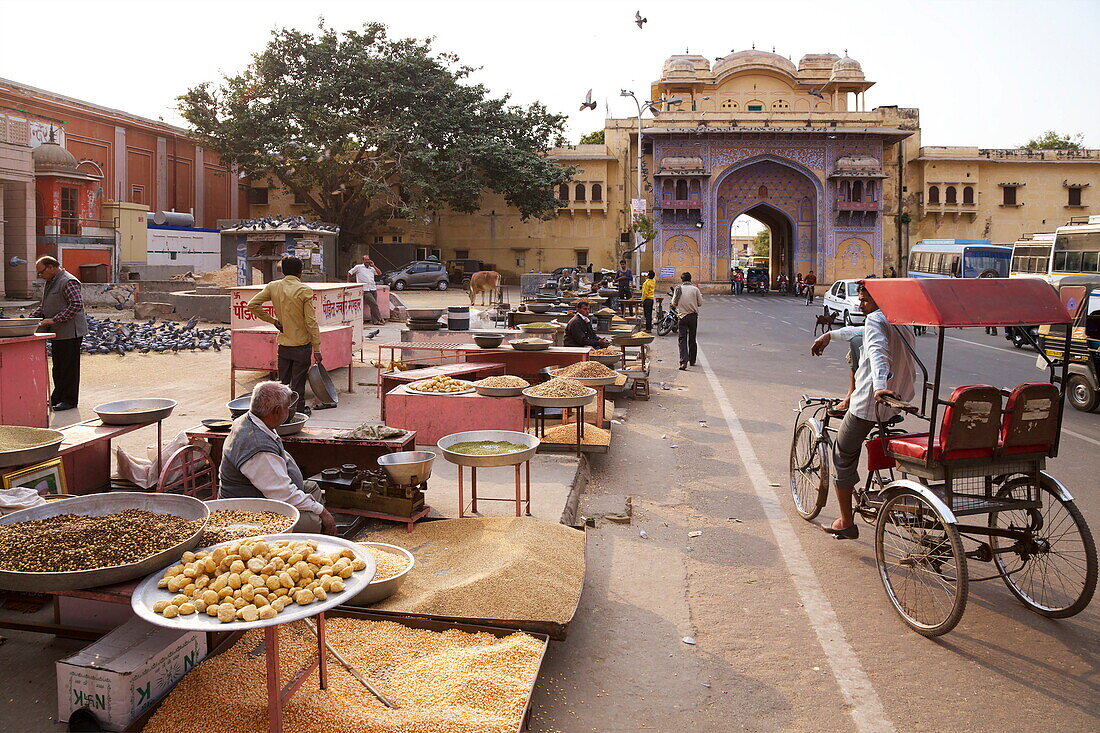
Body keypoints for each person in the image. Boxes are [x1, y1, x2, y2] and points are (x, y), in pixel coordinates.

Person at [810, 282, 916, 539]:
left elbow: (879, 354)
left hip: (873, 403)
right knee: (857, 341)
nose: (859, 304)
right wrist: (830, 335)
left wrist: (879, 387)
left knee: (843, 452)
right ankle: (850, 396)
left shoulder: (876, 320)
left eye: (865, 300)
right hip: (899, 399)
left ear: (879, 300)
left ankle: (846, 521)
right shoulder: (901, 318)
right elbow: (864, 334)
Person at [219, 381, 337, 535]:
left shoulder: (253, 419)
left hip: (264, 493)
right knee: (315, 522)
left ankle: (320, 528)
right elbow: (283, 494)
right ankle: (315, 541)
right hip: (246, 511)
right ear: (276, 411)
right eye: (287, 408)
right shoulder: (257, 448)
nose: (289, 411)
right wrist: (324, 514)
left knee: (312, 489)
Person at [247, 256, 322, 416]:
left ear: (283, 271)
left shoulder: (273, 286)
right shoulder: (304, 290)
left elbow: (252, 305)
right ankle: (297, 412)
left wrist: (273, 321)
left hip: (284, 346)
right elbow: (311, 322)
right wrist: (317, 348)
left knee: (282, 383)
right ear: (300, 272)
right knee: (298, 384)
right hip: (302, 346)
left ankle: (278, 413)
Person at [30, 256, 87, 411]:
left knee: (68, 367)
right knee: (59, 367)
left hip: (70, 332)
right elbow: (44, 306)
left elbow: (76, 305)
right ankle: (57, 397)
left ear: (50, 267)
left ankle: (69, 400)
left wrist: (53, 320)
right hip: (57, 332)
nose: (40, 276)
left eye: (41, 272)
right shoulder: (51, 281)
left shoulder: (68, 281)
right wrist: (29, 319)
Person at [671, 271, 702, 370]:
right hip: (693, 316)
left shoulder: (678, 288)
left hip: (682, 317)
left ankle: (683, 361)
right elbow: (700, 303)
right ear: (690, 279)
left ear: (682, 280)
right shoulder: (695, 289)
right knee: (692, 338)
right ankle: (692, 360)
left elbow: (674, 303)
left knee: (682, 339)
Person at [347, 255, 384, 325]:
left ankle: (375, 321)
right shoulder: (359, 267)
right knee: (374, 304)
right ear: (363, 260)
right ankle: (380, 319)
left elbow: (379, 273)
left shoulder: (372, 269)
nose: (367, 261)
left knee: (373, 306)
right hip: (365, 290)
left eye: (368, 260)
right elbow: (349, 272)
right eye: (366, 260)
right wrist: (348, 283)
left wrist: (374, 266)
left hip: (373, 288)